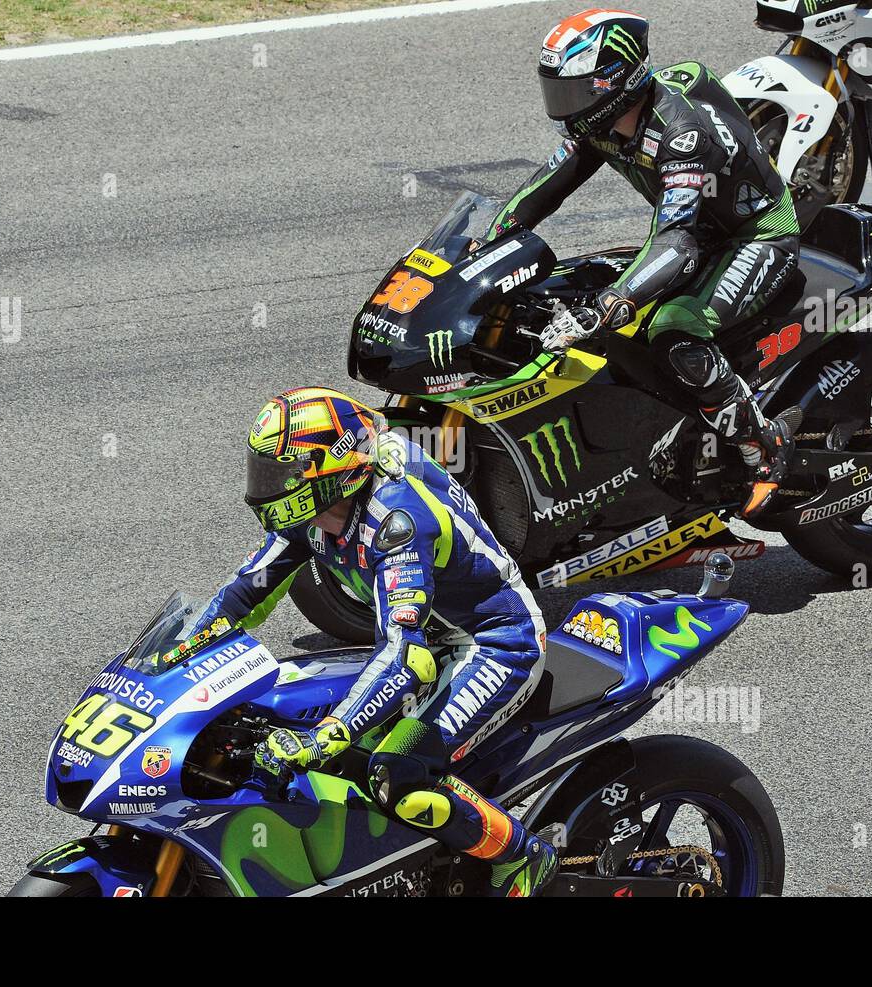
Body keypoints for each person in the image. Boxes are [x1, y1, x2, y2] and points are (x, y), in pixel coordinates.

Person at [193, 386, 557, 896]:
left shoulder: (396, 520)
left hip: (493, 643)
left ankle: (523, 857)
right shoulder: (320, 505)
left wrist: (332, 731)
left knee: (396, 773)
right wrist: (184, 650)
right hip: (427, 642)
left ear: (331, 470)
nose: (268, 489)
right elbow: (244, 592)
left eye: (281, 475)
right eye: (264, 473)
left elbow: (404, 656)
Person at [492, 9, 802, 517]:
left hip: (755, 237)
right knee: (572, 293)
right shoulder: (602, 122)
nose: (564, 107)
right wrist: (488, 247)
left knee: (673, 332)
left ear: (615, 83)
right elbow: (540, 191)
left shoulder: (682, 134)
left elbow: (677, 243)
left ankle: (762, 444)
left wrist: (612, 302)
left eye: (574, 92)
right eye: (558, 91)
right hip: (695, 236)